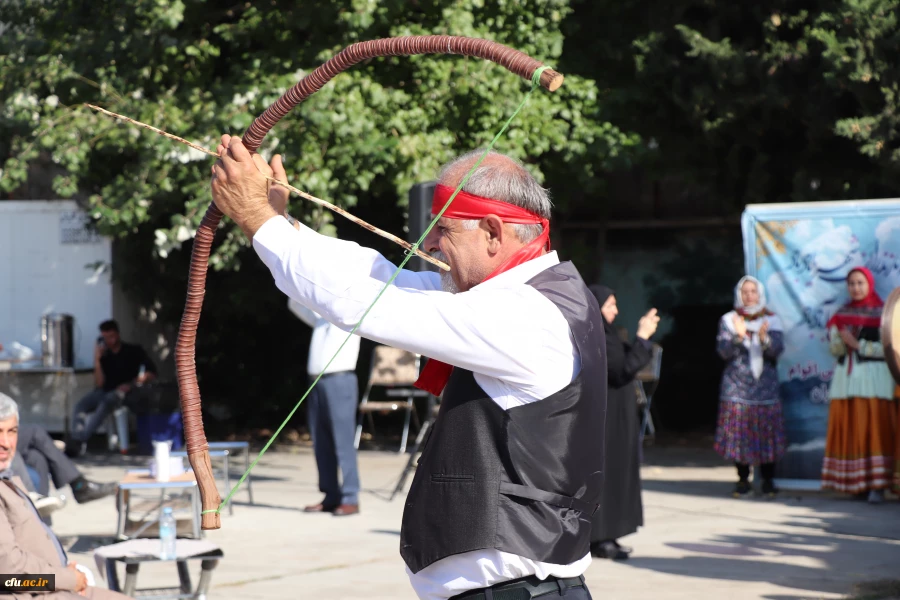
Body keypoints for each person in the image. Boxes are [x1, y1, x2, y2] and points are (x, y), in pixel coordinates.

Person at [209, 135, 606, 600]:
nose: (432, 244)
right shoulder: (517, 296)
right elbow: (378, 279)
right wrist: (278, 223)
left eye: (444, 229)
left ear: (495, 233)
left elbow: (367, 303)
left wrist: (257, 218)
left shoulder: (526, 314)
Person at [0, 394, 134, 599]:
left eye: (12, 431)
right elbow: (10, 576)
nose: (6, 443)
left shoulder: (7, 479)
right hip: (36, 591)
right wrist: (66, 579)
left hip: (53, 583)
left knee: (37, 458)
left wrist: (66, 573)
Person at [587, 285, 658, 561]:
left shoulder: (608, 335)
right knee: (608, 475)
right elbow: (621, 370)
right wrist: (642, 337)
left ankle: (609, 535)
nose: (615, 311)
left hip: (618, 416)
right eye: (610, 305)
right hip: (608, 420)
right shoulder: (598, 337)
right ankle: (600, 537)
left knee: (617, 474)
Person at [821, 267, 897, 503]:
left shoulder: (885, 314)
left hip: (875, 379)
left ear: (870, 284)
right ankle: (856, 484)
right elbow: (835, 351)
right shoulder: (841, 313)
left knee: (875, 428)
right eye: (852, 283)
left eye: (860, 283)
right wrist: (838, 339)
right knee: (851, 427)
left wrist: (858, 345)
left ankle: (878, 484)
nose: (856, 288)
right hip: (847, 379)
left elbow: (891, 349)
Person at [714, 276, 787, 498]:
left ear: (760, 294)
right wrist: (738, 336)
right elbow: (723, 352)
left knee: (767, 431)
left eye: (753, 291)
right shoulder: (729, 320)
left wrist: (764, 339)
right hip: (737, 385)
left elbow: (776, 351)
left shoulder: (772, 320)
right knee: (739, 433)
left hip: (764, 386)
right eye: (744, 292)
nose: (749, 296)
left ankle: (768, 480)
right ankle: (743, 480)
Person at [288, 298, 362, 516]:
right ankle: (331, 494)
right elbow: (294, 304)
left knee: (342, 440)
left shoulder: (351, 314)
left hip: (340, 379)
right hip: (316, 381)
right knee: (321, 440)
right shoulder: (321, 318)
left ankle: (350, 497)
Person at [65, 320, 157, 457]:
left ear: (118, 334)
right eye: (106, 337)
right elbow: (100, 383)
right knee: (81, 406)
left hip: (126, 392)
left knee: (106, 402)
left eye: (112, 336)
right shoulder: (105, 356)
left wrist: (132, 383)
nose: (110, 340)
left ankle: (79, 440)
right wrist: (97, 359)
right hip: (105, 390)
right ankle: (77, 439)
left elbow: (151, 373)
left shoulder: (133, 351)